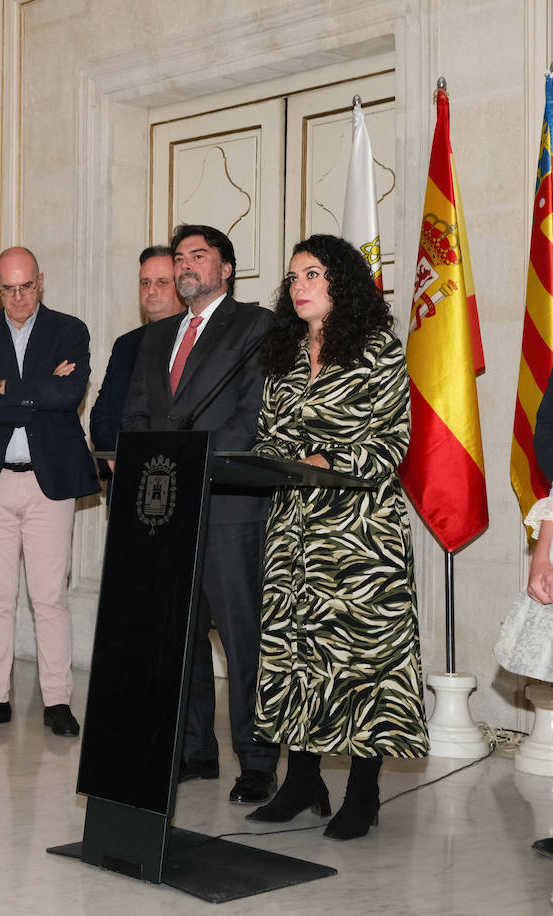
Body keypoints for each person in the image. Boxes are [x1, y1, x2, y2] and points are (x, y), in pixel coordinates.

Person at [246, 234, 426, 840]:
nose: (298, 285)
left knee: (359, 661)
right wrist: (280, 460)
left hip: (359, 538)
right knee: (297, 656)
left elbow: (393, 440)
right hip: (292, 530)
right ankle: (302, 781)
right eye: (293, 276)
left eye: (313, 274)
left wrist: (334, 459)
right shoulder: (283, 352)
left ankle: (364, 791)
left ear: (341, 282)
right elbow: (268, 435)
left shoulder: (378, 349)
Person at [121, 224, 278, 803]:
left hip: (230, 506)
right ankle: (195, 752)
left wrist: (190, 461)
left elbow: (251, 415)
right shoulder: (158, 336)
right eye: (180, 257)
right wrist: (157, 466)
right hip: (170, 508)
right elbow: (136, 414)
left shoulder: (256, 326)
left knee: (242, 641)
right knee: (180, 638)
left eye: (199, 256)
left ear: (226, 268)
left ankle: (257, 760)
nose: (186, 266)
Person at [0, 246, 99, 738]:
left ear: (42, 281)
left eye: (27, 286)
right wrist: (35, 390)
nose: (18, 298)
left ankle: (57, 700)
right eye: (8, 289)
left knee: (49, 596)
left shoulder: (70, 330)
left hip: (48, 480)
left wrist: (5, 391)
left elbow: (68, 395)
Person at [88, 245, 184, 475]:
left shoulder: (200, 341)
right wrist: (113, 458)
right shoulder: (125, 345)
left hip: (179, 476)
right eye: (145, 282)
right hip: (124, 477)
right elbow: (101, 414)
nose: (151, 291)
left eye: (162, 282)